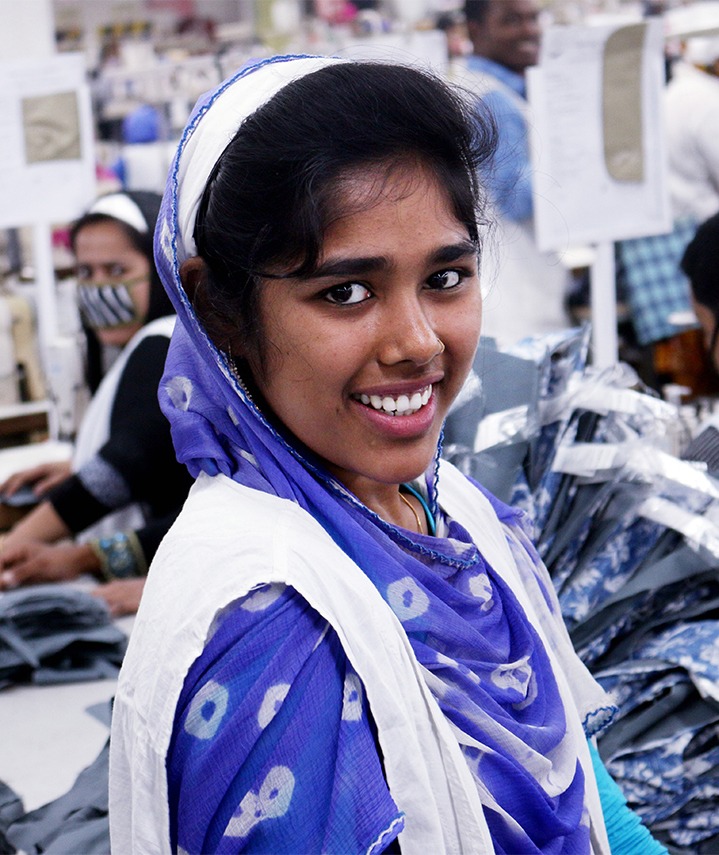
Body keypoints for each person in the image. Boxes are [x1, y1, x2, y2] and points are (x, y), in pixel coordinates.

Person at [110, 56, 665, 853]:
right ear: (218, 308)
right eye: (346, 292)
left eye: (446, 276)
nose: (417, 342)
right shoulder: (273, 622)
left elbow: (588, 803)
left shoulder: (455, 512)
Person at [0, 191, 194, 616]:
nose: (100, 287)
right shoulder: (163, 345)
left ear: (162, 267)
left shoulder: (160, 342)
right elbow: (155, 453)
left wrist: (13, 547)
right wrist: (78, 464)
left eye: (118, 270)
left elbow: (121, 469)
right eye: (85, 272)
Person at [455, 0, 571, 348]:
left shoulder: (491, 89)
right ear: (475, 29)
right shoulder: (491, 101)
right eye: (511, 21)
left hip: (515, 287)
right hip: (515, 293)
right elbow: (516, 197)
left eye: (533, 18)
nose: (529, 30)